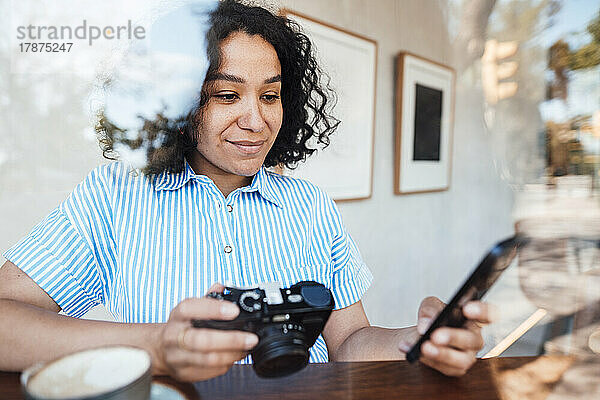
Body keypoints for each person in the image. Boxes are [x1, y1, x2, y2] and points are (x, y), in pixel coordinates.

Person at [0, 0, 491, 382]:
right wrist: (158, 346)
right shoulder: (114, 196)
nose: (257, 121)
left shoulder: (310, 207)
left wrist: (417, 341)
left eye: (270, 96)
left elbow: (350, 342)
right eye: (227, 95)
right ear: (177, 104)